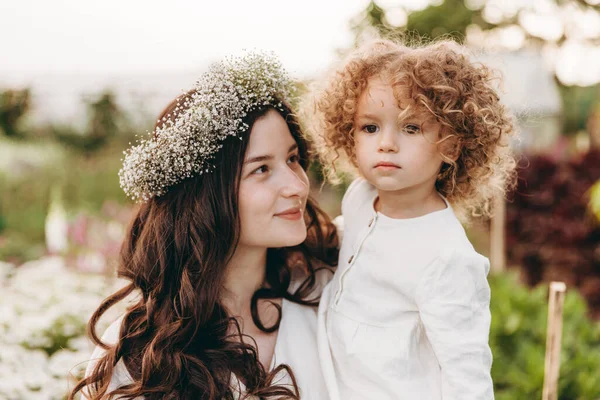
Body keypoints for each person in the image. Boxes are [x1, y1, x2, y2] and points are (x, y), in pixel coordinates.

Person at [69, 52, 338, 400]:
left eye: (292, 159)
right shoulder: (140, 352)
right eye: (261, 169)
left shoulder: (327, 292)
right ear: (207, 195)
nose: (298, 186)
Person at [303, 39, 517, 399]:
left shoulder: (446, 257)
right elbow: (350, 239)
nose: (386, 143)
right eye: (370, 127)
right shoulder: (361, 197)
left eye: (411, 128)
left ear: (449, 144)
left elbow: (467, 374)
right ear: (349, 133)